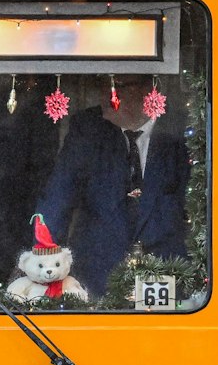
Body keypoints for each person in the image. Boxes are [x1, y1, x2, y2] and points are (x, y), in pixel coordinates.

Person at [31, 84, 189, 295]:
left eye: (119, 85)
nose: (107, 91)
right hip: (97, 275)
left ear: (148, 89)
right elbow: (58, 197)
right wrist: (43, 260)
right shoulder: (89, 127)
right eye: (104, 82)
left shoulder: (181, 128)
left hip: (171, 276)